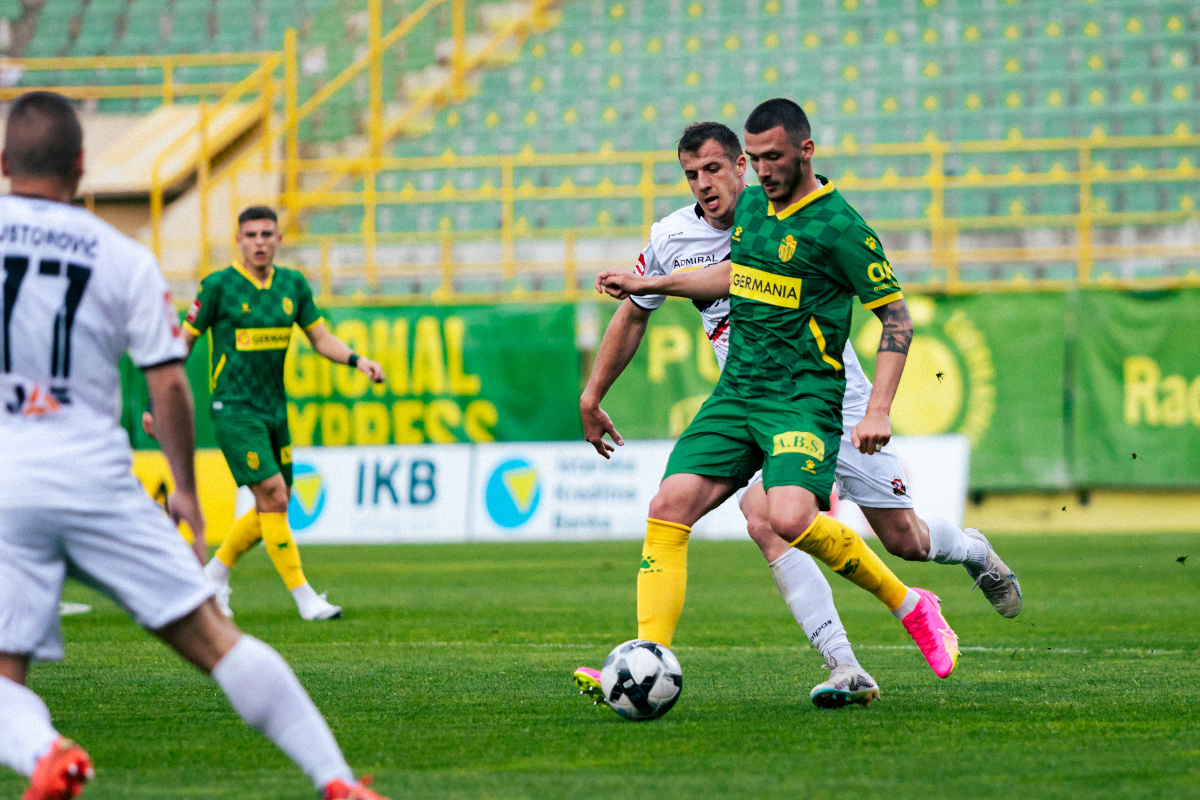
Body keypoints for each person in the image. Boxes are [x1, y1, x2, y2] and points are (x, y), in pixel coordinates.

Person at [0, 91, 388, 800]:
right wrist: (182, 484)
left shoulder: (289, 286)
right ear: (82, 166)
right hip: (94, 476)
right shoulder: (122, 258)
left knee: (3, 673)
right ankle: (337, 781)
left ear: (2, 163)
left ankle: (46, 752)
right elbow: (168, 381)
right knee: (217, 642)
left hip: (5, 484)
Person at [578, 99, 972, 708]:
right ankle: (653, 657)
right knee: (699, 509)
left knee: (899, 538)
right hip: (743, 389)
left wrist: (880, 410)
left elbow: (895, 315)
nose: (717, 182)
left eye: (731, 166)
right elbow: (729, 280)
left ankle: (939, 580)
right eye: (693, 174)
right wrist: (642, 296)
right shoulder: (716, 223)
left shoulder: (827, 223)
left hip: (819, 395)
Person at [145, 206, 384, 621]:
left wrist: (356, 360)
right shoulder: (218, 286)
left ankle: (212, 576)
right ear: (238, 240)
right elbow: (182, 344)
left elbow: (320, 337)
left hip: (274, 410)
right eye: (251, 234)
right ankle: (306, 599)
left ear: (277, 240)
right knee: (273, 495)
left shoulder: (292, 285)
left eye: (267, 234)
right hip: (233, 409)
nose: (259, 241)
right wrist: (157, 402)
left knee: (273, 505)